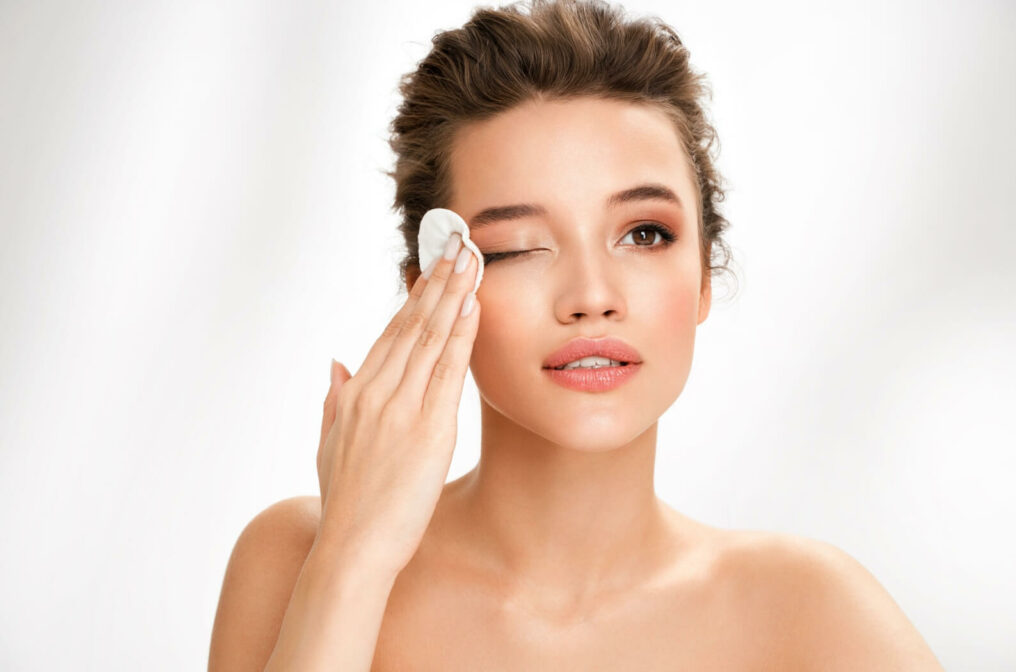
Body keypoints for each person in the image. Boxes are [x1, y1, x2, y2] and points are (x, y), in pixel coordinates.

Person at [209, 0, 944, 669]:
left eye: (645, 234)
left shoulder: (808, 613)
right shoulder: (299, 555)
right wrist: (354, 559)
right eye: (520, 246)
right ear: (430, 289)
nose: (592, 298)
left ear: (704, 279)